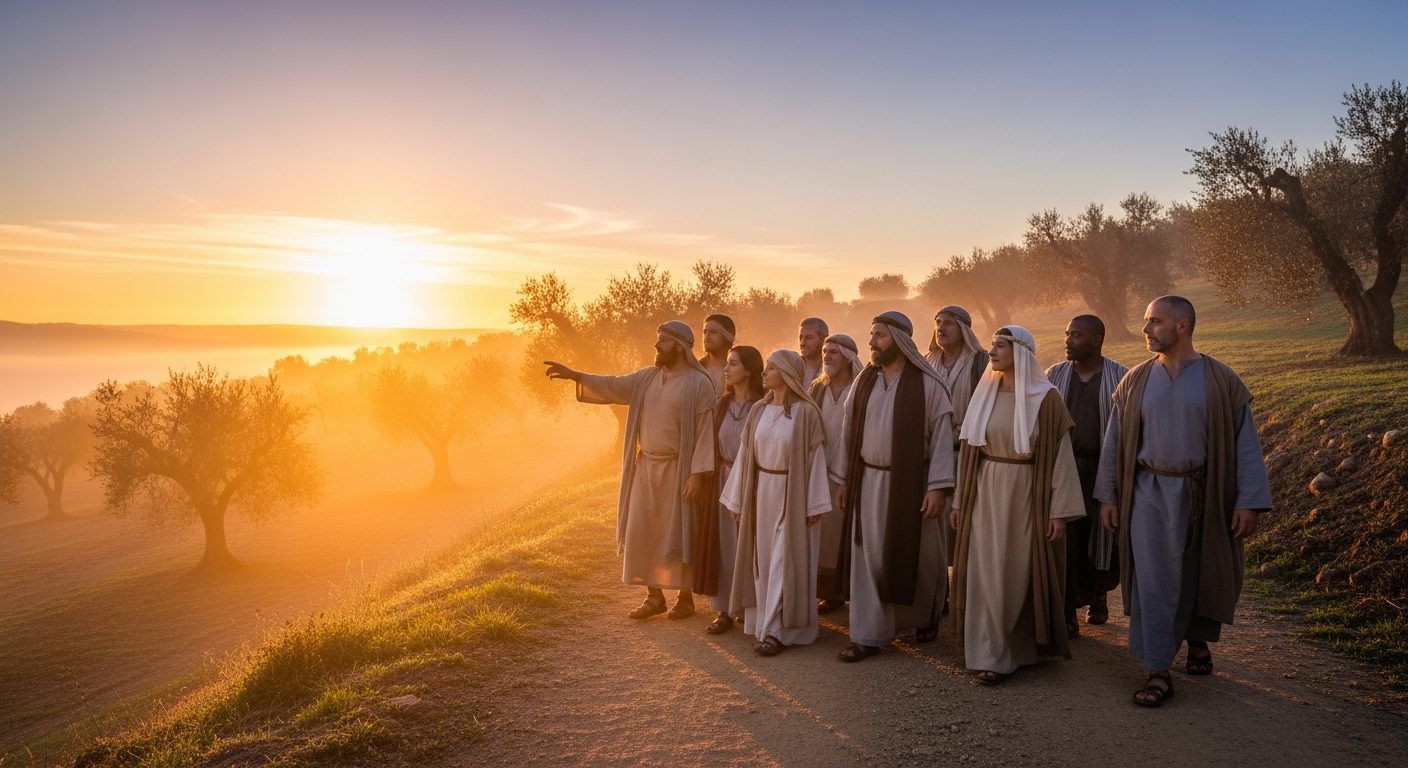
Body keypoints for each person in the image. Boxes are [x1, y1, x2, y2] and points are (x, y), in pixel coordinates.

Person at [1095, 296, 1272, 708]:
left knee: (1200, 572)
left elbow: (1246, 445)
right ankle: (1158, 670)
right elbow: (1114, 443)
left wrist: (1248, 501)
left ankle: (1197, 640)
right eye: (1145, 321)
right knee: (1154, 581)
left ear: (1182, 326)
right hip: (1148, 495)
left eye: (1154, 321)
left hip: (1205, 493)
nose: (1146, 329)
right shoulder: (1135, 380)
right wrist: (1109, 496)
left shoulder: (1221, 379)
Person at [544, 321, 716, 620]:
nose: (656, 345)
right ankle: (654, 596)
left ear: (679, 346)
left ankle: (685, 598)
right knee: (643, 530)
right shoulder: (646, 378)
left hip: (678, 470)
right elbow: (613, 385)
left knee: (678, 532)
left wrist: (697, 474)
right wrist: (577, 375)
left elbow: (705, 432)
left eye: (662, 340)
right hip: (646, 467)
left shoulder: (697, 384)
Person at [950, 326, 1086, 685]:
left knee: (1015, 571)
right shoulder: (985, 394)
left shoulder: (1046, 398)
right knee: (986, 571)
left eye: (1000, 346)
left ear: (1021, 352)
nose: (991, 351)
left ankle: (1016, 648)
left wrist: (1058, 509)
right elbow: (969, 454)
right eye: (991, 345)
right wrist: (960, 500)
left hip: (1026, 493)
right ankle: (988, 652)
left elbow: (1061, 457)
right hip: (985, 492)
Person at [831, 311, 956, 661]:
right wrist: (843, 480)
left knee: (920, 557)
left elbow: (944, 439)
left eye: (879, 336)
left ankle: (924, 617)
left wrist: (937, 488)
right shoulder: (865, 381)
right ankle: (869, 634)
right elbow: (848, 432)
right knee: (868, 557)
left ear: (900, 340)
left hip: (913, 486)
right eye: (871, 335)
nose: (871, 342)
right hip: (868, 481)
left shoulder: (928, 385)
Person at [722, 350, 832, 655]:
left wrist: (813, 504)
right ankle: (765, 625)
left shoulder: (806, 413)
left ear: (787, 374)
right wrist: (737, 499)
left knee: (786, 560)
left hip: (793, 493)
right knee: (764, 561)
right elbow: (745, 456)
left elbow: (816, 460)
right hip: (762, 493)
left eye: (771, 368)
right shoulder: (759, 409)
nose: (764, 373)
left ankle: (776, 632)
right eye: (766, 367)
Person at [1045, 315, 1128, 638]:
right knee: (1066, 539)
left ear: (1096, 339)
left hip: (1103, 469)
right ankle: (1066, 611)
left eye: (1077, 335)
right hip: (1064, 468)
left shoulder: (1120, 376)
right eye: (1067, 334)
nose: (1068, 340)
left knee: (1104, 536)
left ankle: (1098, 595)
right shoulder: (1055, 375)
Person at [698, 346, 765, 635]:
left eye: (733, 364)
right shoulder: (721, 404)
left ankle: (747, 607)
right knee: (725, 544)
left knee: (749, 545)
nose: (726, 369)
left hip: (753, 482)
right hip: (724, 479)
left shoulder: (763, 405)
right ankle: (723, 609)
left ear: (748, 370)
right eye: (726, 364)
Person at [924, 305, 990, 597]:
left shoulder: (981, 363)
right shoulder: (926, 362)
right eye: (938, 322)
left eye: (948, 323)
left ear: (964, 328)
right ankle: (940, 593)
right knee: (934, 527)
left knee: (966, 524)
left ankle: (967, 594)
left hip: (968, 453)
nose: (941, 328)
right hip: (933, 457)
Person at [809, 334, 864, 613]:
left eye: (833, 352)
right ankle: (829, 593)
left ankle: (852, 591)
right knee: (824, 538)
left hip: (851, 475)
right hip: (820, 473)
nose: (826, 356)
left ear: (848, 357)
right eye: (825, 351)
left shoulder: (862, 388)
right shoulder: (817, 389)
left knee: (848, 533)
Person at [699, 314, 736, 395]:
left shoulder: (740, 371)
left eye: (713, 332)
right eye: (705, 332)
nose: (706, 337)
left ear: (727, 337)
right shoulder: (697, 369)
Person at [798, 317, 830, 386]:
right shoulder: (790, 367)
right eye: (800, 338)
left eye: (808, 338)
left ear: (824, 339)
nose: (802, 343)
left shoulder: (834, 370)